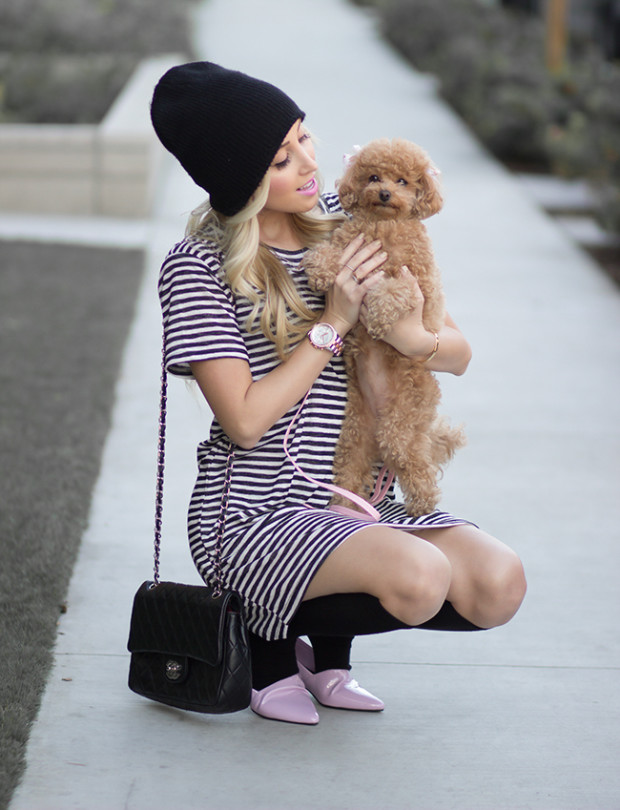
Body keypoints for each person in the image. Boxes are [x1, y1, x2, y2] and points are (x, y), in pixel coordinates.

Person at [150, 61, 527, 726]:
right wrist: (332, 326)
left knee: (499, 584)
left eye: (304, 138)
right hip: (255, 515)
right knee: (420, 579)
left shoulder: (347, 219)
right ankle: (268, 647)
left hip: (354, 500)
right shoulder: (198, 267)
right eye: (278, 158)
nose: (306, 164)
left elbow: (459, 353)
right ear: (239, 177)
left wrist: (413, 339)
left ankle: (325, 657)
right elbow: (242, 420)